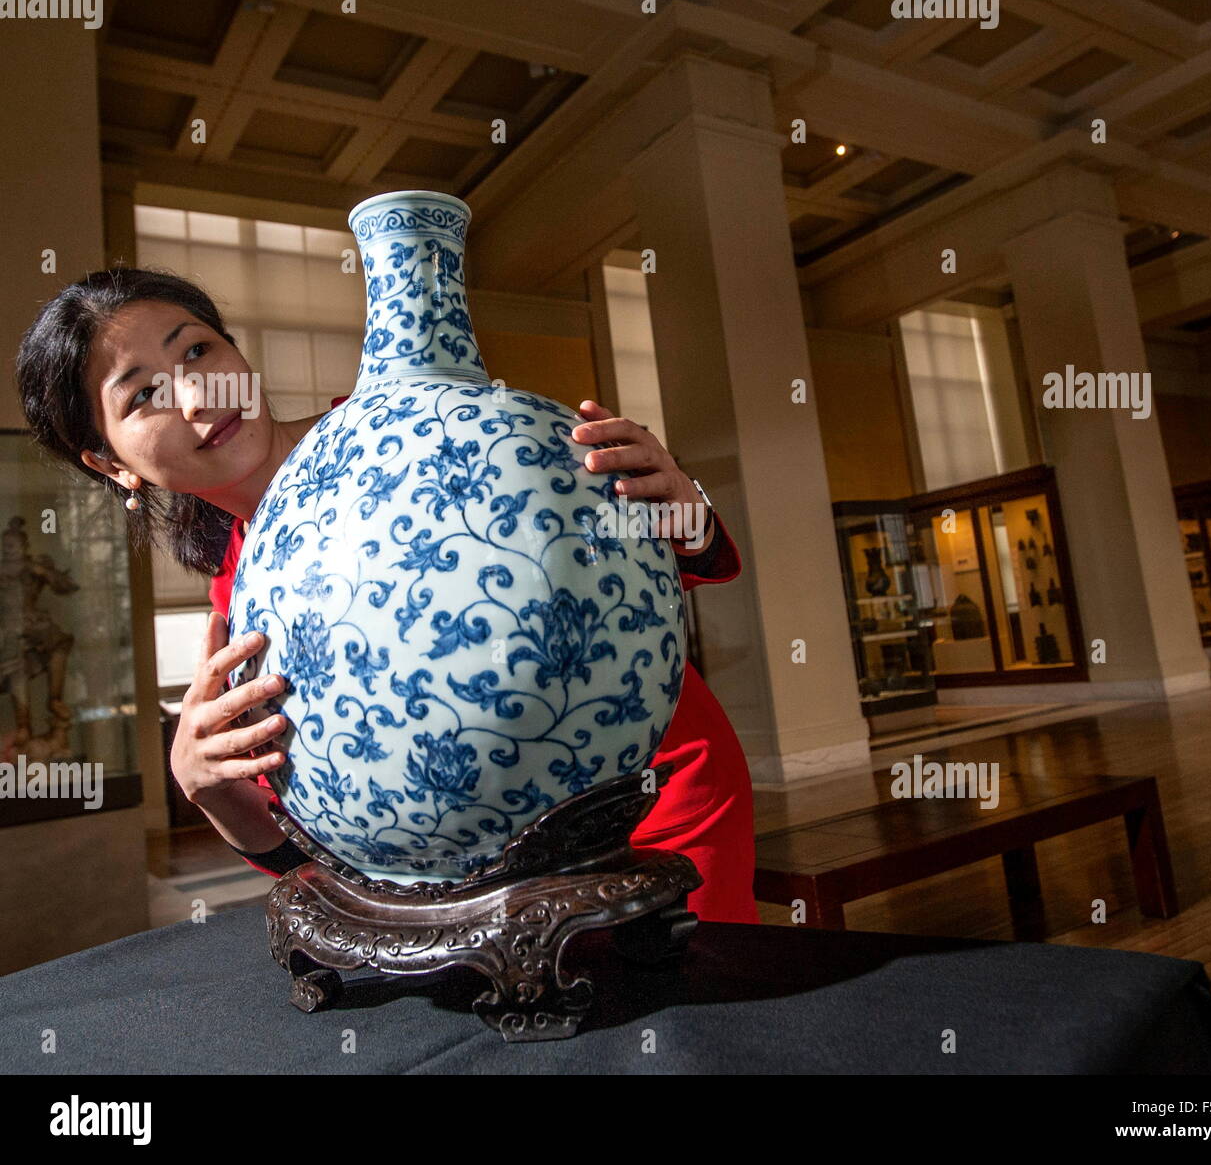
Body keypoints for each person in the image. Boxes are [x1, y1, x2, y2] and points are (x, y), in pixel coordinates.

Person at [16, 267, 759, 924]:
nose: (197, 394)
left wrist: (676, 504)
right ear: (110, 462)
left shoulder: (421, 428)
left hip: (648, 806)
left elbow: (627, 578)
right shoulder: (236, 593)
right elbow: (314, 853)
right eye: (144, 392)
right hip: (471, 888)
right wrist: (202, 782)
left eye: (199, 350)